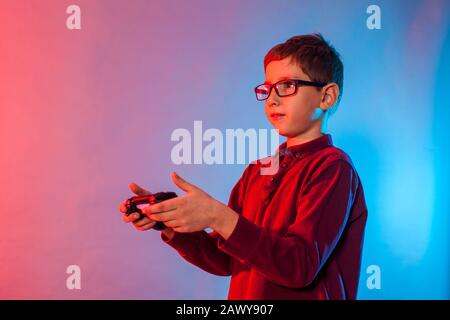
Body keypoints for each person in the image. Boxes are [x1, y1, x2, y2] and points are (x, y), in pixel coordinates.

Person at [119, 33, 368, 300]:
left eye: (286, 86)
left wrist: (219, 216)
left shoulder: (333, 168)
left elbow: (300, 266)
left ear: (327, 96)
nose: (272, 99)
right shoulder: (258, 171)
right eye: (268, 89)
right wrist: (169, 224)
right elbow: (225, 259)